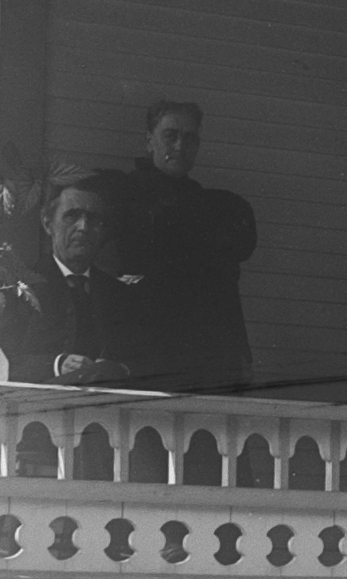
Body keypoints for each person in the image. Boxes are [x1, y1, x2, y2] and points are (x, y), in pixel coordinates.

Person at [107, 99, 257, 393]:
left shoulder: (208, 206)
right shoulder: (125, 195)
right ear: (149, 141)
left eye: (189, 138)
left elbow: (223, 284)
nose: (179, 145)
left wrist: (239, 351)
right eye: (170, 136)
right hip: (146, 343)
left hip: (200, 347)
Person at [0, 175, 153, 386]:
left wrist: (119, 368)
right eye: (72, 216)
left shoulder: (120, 295)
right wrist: (57, 365)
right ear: (48, 224)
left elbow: (145, 359)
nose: (83, 227)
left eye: (94, 219)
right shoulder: (14, 289)